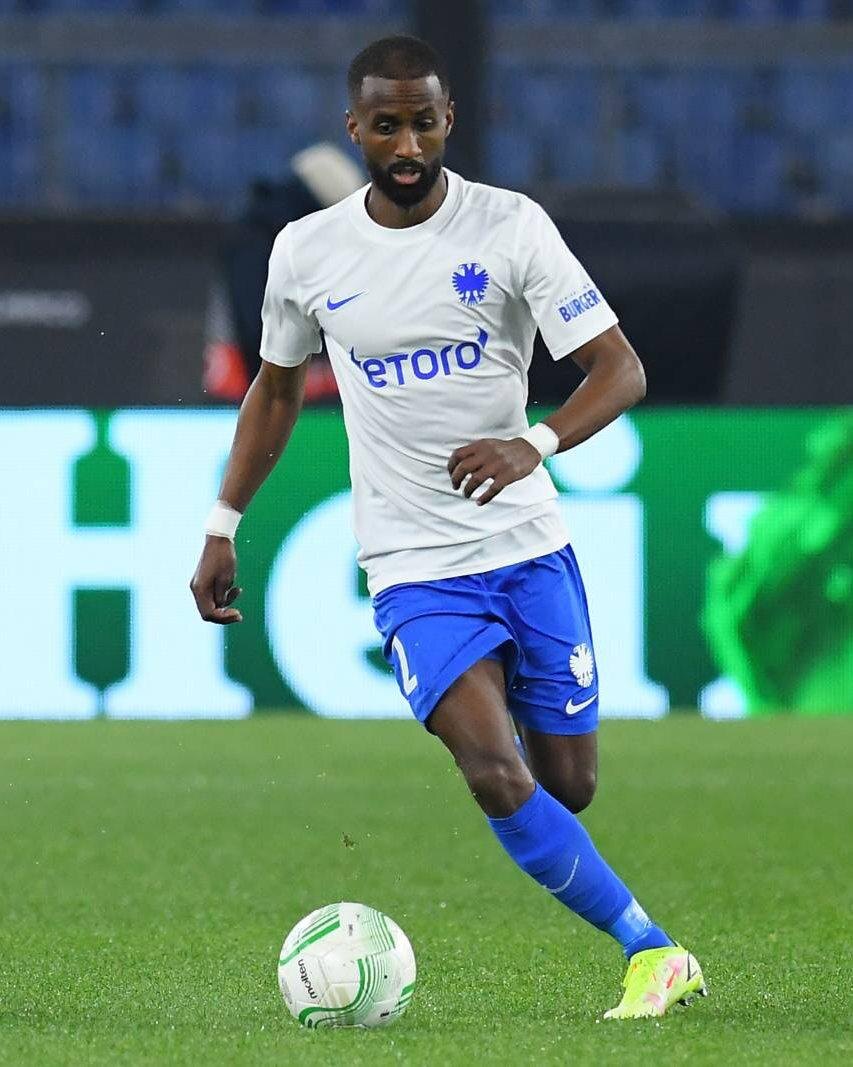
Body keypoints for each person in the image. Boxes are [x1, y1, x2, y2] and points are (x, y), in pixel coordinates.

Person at [190, 35, 707, 1020]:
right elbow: (274, 389)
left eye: (423, 123)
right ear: (355, 128)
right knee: (494, 772)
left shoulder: (510, 228)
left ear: (447, 121)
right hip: (411, 563)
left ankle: (582, 845)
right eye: (386, 125)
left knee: (568, 783)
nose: (407, 144)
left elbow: (620, 369)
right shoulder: (307, 250)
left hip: (527, 548)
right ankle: (652, 950)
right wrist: (223, 522)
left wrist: (533, 443)